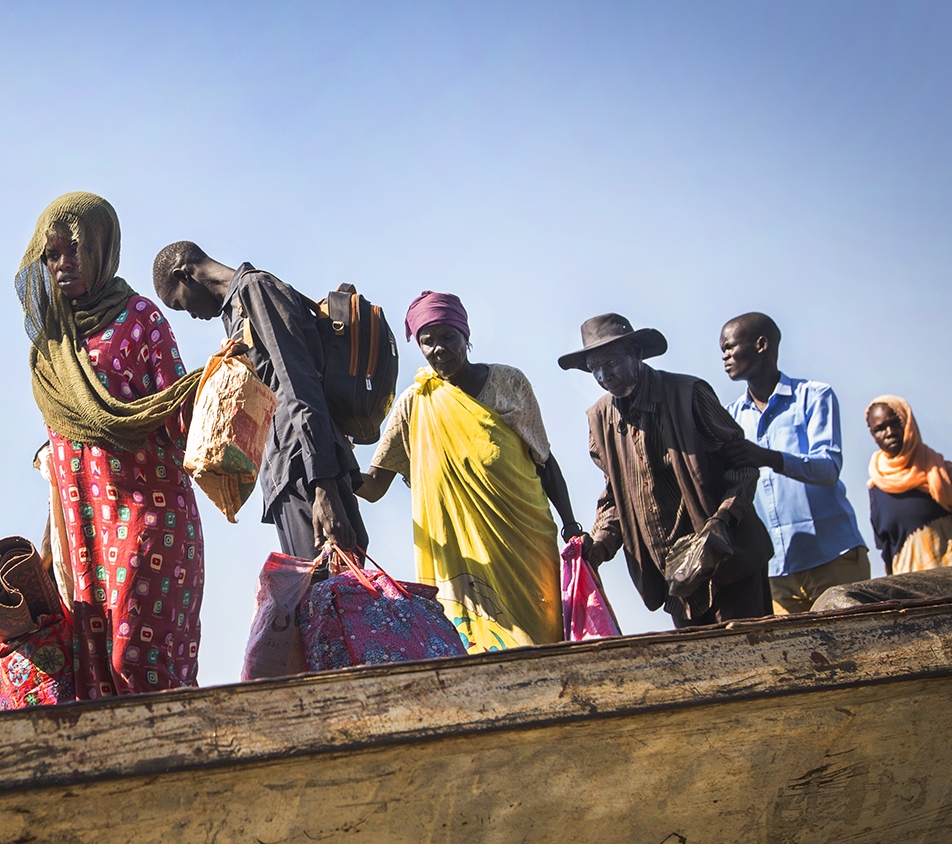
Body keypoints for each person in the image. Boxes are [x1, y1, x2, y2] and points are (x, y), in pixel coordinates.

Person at [17, 193, 206, 699]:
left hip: (151, 517)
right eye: (51, 255)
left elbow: (183, 416)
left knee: (137, 660)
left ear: (101, 248)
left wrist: (228, 379)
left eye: (73, 251)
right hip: (85, 538)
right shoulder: (50, 352)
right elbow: (60, 459)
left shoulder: (141, 319)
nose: (61, 265)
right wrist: (47, 543)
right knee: (95, 677)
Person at [358, 292, 580, 650]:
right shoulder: (414, 404)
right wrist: (330, 460)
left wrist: (571, 526)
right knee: (473, 649)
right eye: (427, 341)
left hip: (525, 540)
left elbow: (544, 460)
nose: (438, 349)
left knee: (542, 643)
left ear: (466, 336)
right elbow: (373, 487)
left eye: (447, 337)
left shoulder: (509, 383)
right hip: (461, 556)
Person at [152, 243, 366, 559]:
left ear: (184, 275)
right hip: (288, 475)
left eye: (181, 305)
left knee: (332, 596)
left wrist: (325, 488)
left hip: (306, 473)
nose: (193, 316)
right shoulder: (235, 313)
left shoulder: (256, 289)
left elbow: (299, 384)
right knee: (312, 601)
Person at [563, 314, 774, 627]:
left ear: (636, 352)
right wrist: (599, 546)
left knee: (754, 661)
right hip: (675, 579)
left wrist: (722, 520)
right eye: (595, 367)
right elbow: (616, 499)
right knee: (699, 672)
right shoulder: (600, 419)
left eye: (611, 361)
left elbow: (743, 466)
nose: (604, 374)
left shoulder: (688, 394)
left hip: (729, 563)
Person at [719, 313, 870, 612]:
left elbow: (828, 468)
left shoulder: (813, 397)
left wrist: (769, 458)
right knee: (795, 658)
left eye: (729, 347)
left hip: (832, 557)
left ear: (761, 344)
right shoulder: (730, 417)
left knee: (851, 651)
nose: (724, 356)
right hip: (775, 572)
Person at [864, 396, 952, 575]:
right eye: (880, 428)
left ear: (909, 424)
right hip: (911, 594)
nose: (890, 432)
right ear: (873, 435)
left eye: (896, 423)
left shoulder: (943, 474)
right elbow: (888, 552)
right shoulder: (877, 487)